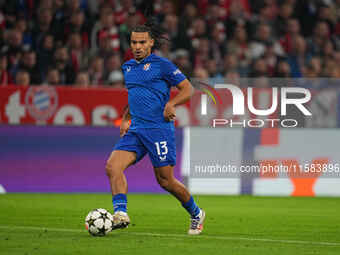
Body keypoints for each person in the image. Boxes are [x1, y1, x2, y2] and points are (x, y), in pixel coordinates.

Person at [105, 20, 206, 235]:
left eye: (142, 42)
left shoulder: (163, 65)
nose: (137, 46)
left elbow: (188, 89)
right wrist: (125, 118)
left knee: (165, 181)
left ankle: (196, 213)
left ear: (151, 43)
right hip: (136, 130)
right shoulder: (128, 67)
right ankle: (120, 213)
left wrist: (171, 103)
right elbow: (135, 96)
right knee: (113, 166)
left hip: (159, 130)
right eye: (134, 42)